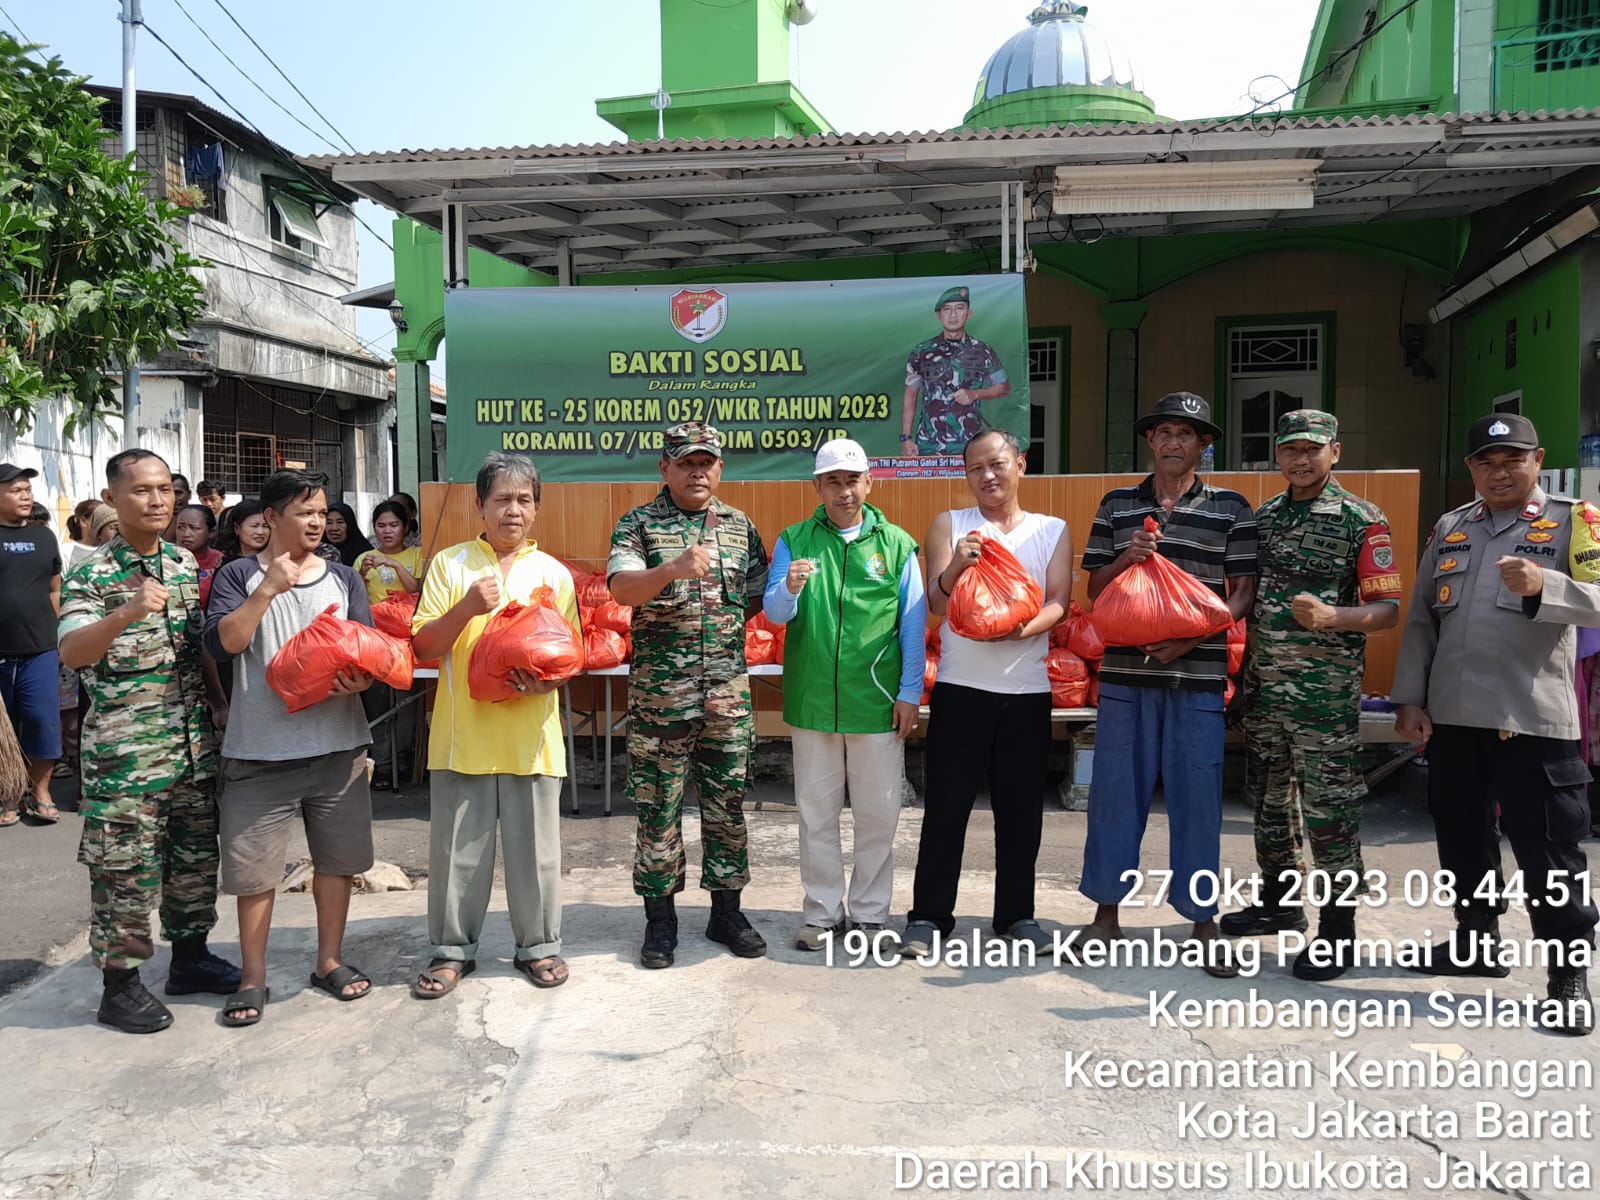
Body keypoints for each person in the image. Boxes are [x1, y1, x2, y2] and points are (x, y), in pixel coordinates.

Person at [1393, 412, 1599, 1036]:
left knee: (1550, 851)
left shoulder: (1575, 520)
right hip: (1453, 716)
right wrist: (1409, 699)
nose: (1499, 471)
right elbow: (1423, 619)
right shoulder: (1452, 528)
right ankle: (1476, 943)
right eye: (1487, 462)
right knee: (1461, 837)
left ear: (1537, 460)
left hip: (1532, 716)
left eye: (1513, 460)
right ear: (1472, 470)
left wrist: (1547, 584)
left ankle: (1567, 974)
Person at [1075, 392, 1258, 977]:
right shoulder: (1118, 506)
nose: (1173, 441)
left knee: (1198, 802)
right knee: (1113, 798)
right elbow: (1094, 593)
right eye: (1163, 432)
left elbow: (1243, 593)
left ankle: (1202, 921)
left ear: (1205, 444)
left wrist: (1190, 637)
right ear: (1150, 441)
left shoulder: (1232, 508)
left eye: (1187, 433)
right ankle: (1106, 913)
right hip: (1127, 679)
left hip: (1198, 679)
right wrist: (1127, 557)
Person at [58, 449, 238, 1033]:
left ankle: (189, 958)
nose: (157, 500)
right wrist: (126, 613)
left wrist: (216, 701)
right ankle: (121, 985)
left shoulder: (184, 564)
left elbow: (193, 647)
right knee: (125, 872)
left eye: (165, 489)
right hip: (126, 755)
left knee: (192, 857)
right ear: (113, 499)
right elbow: (72, 651)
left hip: (188, 744)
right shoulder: (93, 572)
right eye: (142, 491)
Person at [1222, 411, 1401, 981]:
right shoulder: (1265, 517)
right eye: (1290, 449)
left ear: (1335, 452)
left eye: (1312, 449)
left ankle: (1338, 929)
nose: (1300, 460)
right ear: (1277, 456)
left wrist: (1334, 616)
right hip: (1266, 691)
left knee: (1330, 811)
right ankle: (1279, 904)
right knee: (1270, 804)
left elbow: (1388, 610)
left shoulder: (1361, 519)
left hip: (1323, 698)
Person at [204, 469, 376, 1027]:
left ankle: (329, 961)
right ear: (271, 519)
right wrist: (269, 587)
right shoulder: (237, 575)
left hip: (337, 749)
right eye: (304, 512)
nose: (317, 521)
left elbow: (366, 651)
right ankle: (252, 978)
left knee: (338, 863)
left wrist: (361, 679)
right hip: (259, 751)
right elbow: (227, 643)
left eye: (322, 512)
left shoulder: (345, 578)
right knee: (255, 875)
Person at [410, 453, 579, 996]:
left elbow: (568, 656)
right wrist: (464, 609)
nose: (513, 510)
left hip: (532, 741)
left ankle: (540, 947)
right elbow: (422, 646)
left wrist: (548, 683)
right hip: (464, 740)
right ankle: (451, 951)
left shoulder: (554, 574)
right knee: (458, 855)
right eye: (502, 499)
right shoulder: (451, 565)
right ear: (479, 505)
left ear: (537, 508)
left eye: (524, 500)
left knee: (537, 857)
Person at [902, 430, 1072, 957]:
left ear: (1020, 464)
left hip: (1026, 690)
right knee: (946, 808)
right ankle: (929, 917)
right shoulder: (950, 525)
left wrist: (1018, 630)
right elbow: (934, 601)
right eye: (975, 469)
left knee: (1021, 810)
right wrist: (957, 565)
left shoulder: (1052, 530)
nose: (987, 476)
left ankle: (1017, 916)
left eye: (997, 464)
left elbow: (1060, 602)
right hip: (961, 689)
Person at [608, 421, 771, 968]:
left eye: (707, 462)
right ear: (665, 468)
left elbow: (751, 598)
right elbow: (621, 589)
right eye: (686, 462)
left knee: (728, 808)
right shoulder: (638, 525)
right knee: (659, 810)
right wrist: (673, 568)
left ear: (719, 467)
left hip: (726, 696)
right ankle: (660, 922)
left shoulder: (740, 526)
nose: (697, 471)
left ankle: (727, 913)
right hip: (661, 700)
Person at [764, 438, 926, 951]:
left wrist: (909, 693)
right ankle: (822, 914)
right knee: (816, 813)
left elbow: (913, 626)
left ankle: (871, 916)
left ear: (868, 483)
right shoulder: (795, 539)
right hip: (813, 701)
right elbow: (773, 613)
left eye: (851, 480)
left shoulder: (897, 545)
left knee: (878, 815)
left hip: (876, 701)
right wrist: (788, 587)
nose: (843, 491)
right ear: (818, 487)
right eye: (832, 481)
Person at [0, 462, 62, 827]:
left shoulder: (44, 537)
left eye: (28, 489)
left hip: (40, 648)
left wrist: (56, 636)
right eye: (16, 490)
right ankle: (7, 794)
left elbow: (55, 589)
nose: (26, 495)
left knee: (42, 722)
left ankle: (40, 791)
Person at [355, 500, 424, 790]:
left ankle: (404, 761)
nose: (387, 531)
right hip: (374, 642)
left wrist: (395, 565)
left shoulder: (418, 555)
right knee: (377, 704)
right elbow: (353, 596)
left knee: (407, 706)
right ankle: (383, 766)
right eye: (381, 526)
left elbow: (419, 589)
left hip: (407, 643)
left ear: (405, 527)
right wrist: (361, 575)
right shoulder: (363, 558)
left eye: (393, 525)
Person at [900, 285, 1011, 458]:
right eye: (947, 309)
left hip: (968, 443)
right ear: (939, 315)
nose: (953, 315)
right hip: (929, 443)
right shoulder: (922, 351)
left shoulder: (983, 351)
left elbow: (1003, 387)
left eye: (959, 308)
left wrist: (975, 394)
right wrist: (906, 438)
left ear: (969, 314)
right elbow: (910, 394)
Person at [174, 504, 224, 609]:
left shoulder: (221, 561)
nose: (186, 534)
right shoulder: (165, 559)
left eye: (194, 528)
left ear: (211, 532)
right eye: (180, 527)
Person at [216, 499, 270, 564]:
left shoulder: (276, 561)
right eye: (254, 526)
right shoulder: (225, 563)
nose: (260, 532)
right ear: (237, 528)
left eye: (265, 526)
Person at [321, 502, 373, 568]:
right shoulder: (317, 552)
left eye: (340, 522)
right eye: (329, 522)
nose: (334, 528)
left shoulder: (365, 554)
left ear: (350, 525)